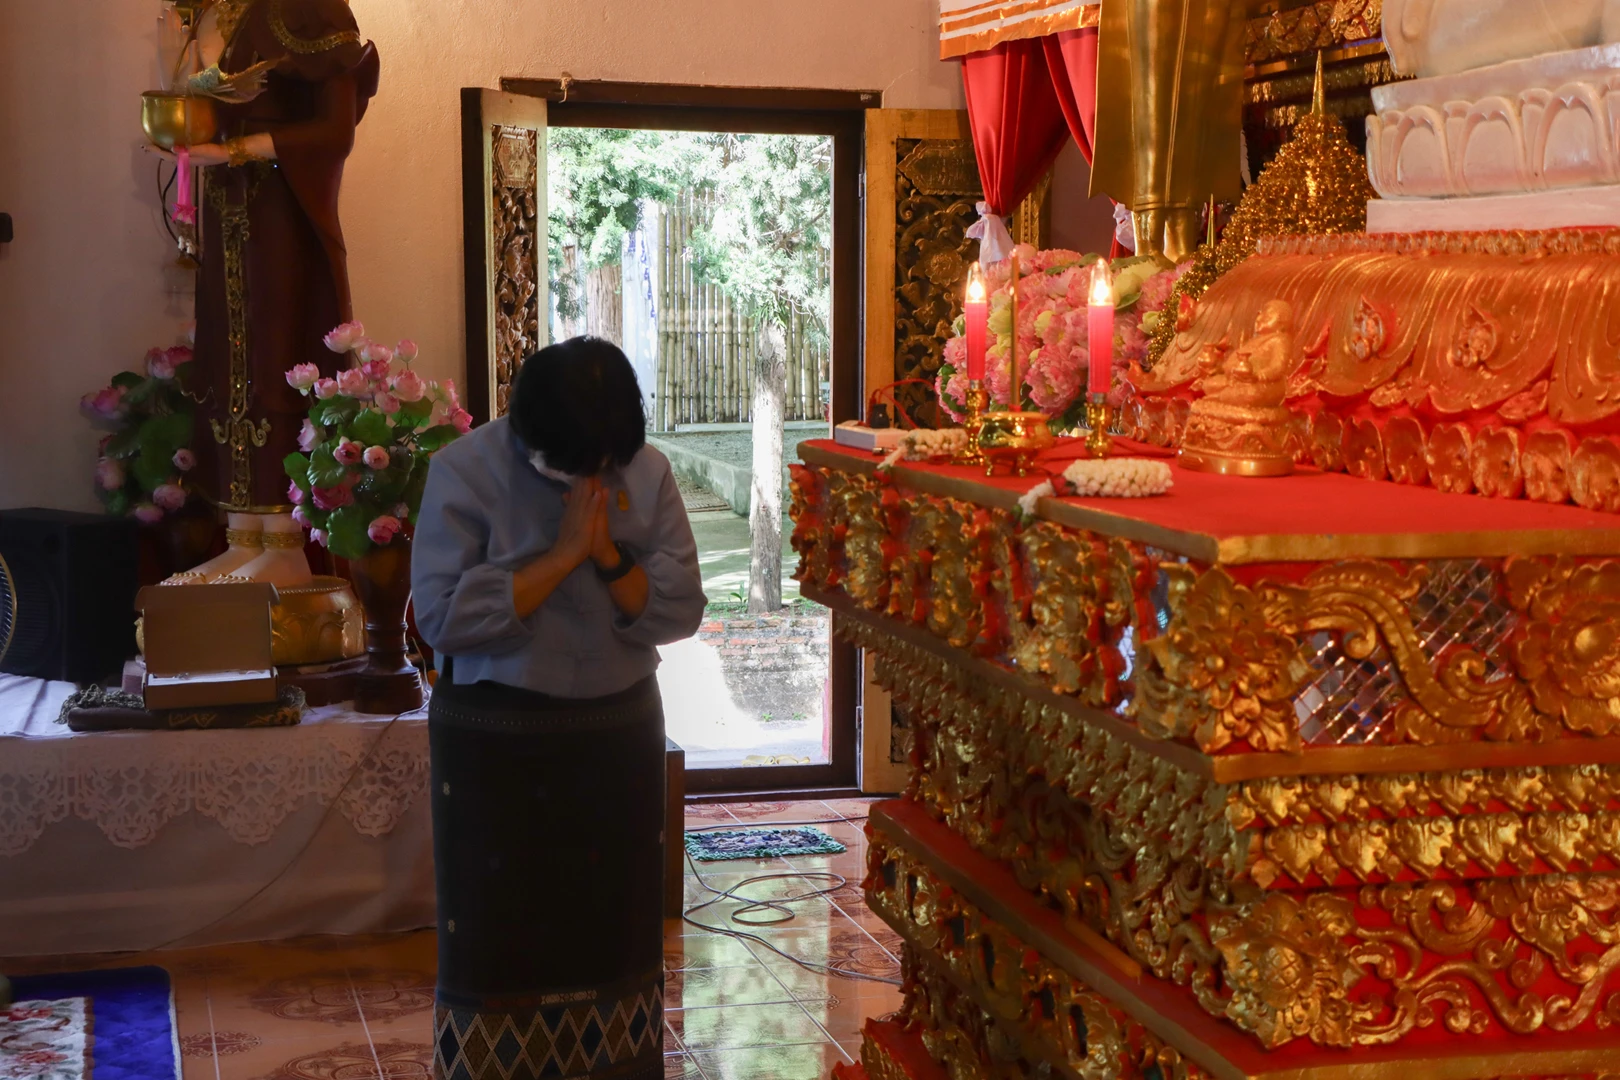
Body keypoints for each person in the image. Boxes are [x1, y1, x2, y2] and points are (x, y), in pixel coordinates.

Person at [411, 337, 706, 1080]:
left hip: (615, 736)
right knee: (504, 940)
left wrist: (607, 555)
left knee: (612, 931)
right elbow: (443, 620)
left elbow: (677, 612)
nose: (589, 477)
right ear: (523, 430)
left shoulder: (648, 470)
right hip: (498, 743)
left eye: (602, 464)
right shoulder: (464, 471)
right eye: (570, 462)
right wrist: (562, 554)